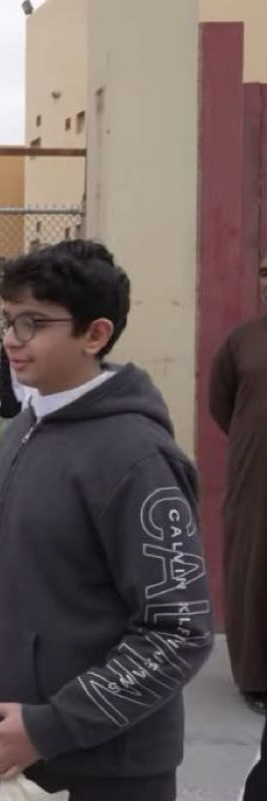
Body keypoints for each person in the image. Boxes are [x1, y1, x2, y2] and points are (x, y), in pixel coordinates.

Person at [0, 240, 213, 801]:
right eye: (7, 319)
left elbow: (177, 632)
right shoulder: (26, 428)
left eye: (33, 322)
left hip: (102, 771)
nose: (11, 339)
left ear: (95, 334)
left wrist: (50, 728)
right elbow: (6, 571)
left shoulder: (138, 459)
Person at [207, 263, 267, 715]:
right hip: (257, 473)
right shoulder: (242, 341)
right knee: (254, 565)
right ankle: (256, 677)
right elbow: (221, 404)